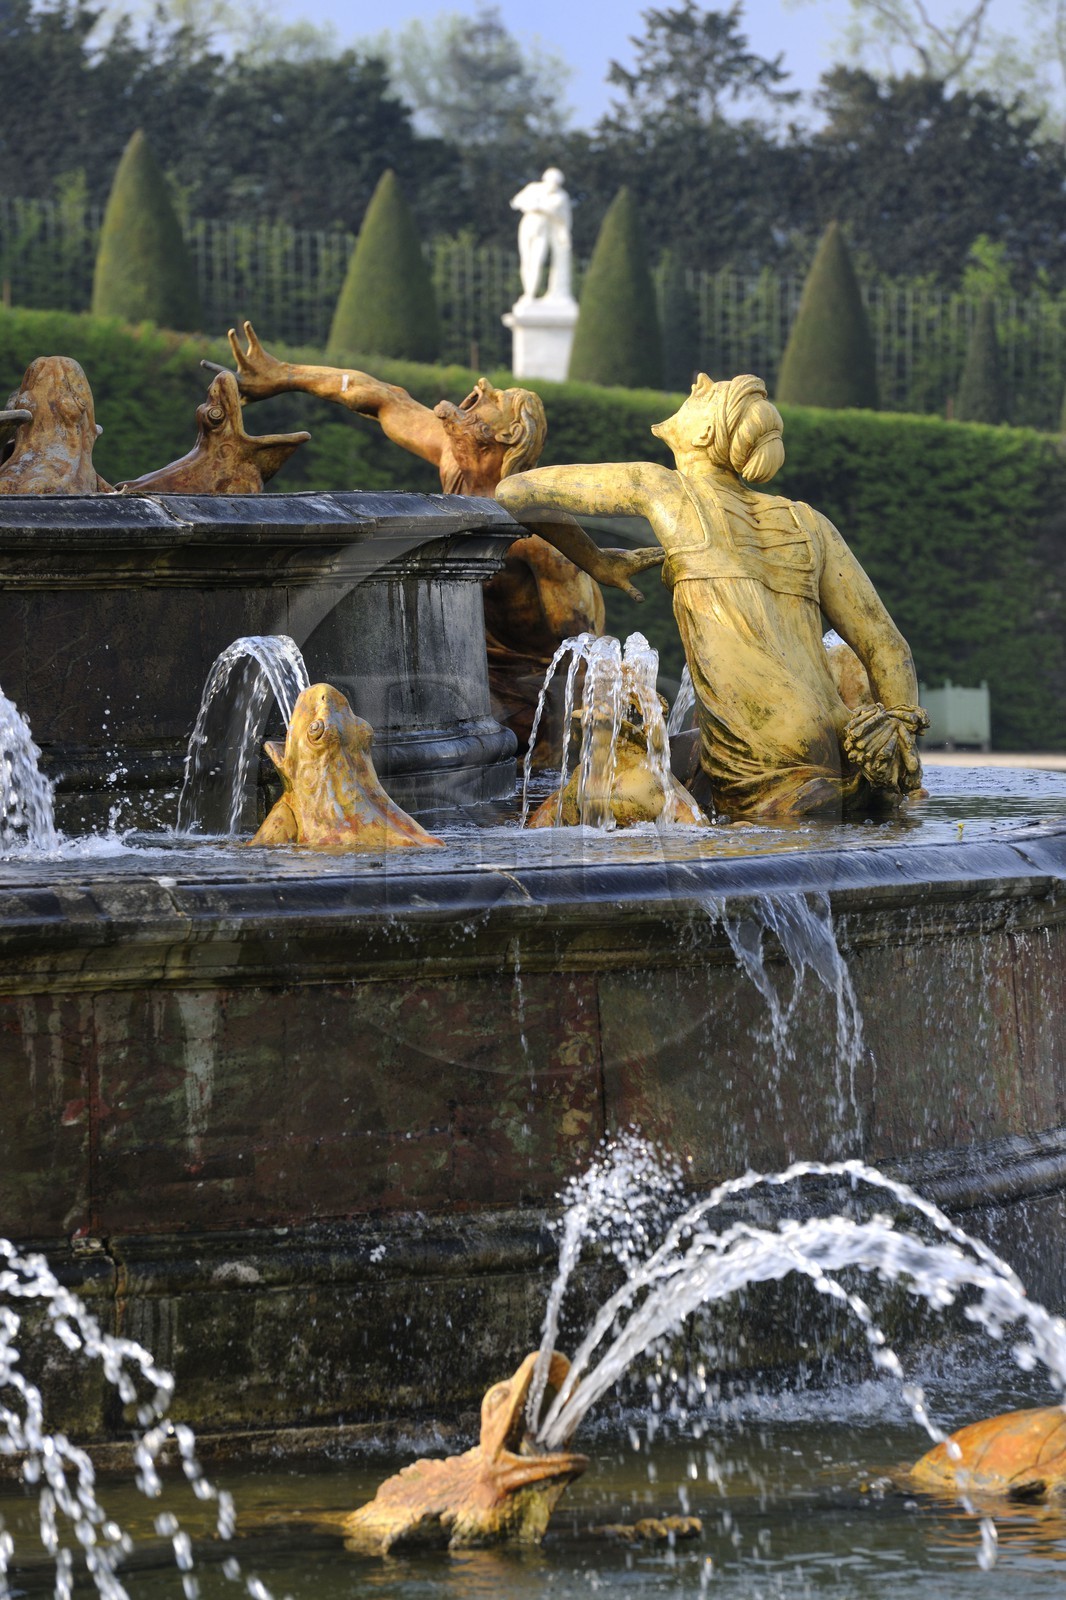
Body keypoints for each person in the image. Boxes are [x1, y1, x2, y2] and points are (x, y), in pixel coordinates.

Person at [496, 373, 928, 819]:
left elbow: (514, 492)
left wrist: (598, 561)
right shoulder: (808, 522)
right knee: (681, 754)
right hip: (842, 749)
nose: (698, 380)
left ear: (704, 433)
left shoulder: (665, 489)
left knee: (600, 782)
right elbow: (887, 646)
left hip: (763, 758)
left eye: (703, 391)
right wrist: (898, 737)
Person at [220, 322, 659, 754]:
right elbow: (383, 399)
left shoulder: (538, 535)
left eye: (498, 399)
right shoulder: (456, 463)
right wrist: (285, 375)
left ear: (505, 436)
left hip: (531, 691)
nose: (483, 386)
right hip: (468, 664)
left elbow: (581, 651)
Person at [510, 168, 573, 303]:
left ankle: (531, 293)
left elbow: (563, 217)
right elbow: (516, 202)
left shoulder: (560, 196)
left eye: (556, 183)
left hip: (543, 231)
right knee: (526, 260)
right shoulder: (533, 188)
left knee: (537, 262)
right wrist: (531, 205)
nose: (553, 185)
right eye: (552, 182)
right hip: (528, 226)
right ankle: (528, 293)